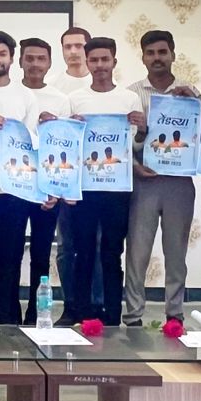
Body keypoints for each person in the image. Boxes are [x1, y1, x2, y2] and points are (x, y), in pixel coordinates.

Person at [0, 30, 52, 325]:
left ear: (11, 58)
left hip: (14, 189)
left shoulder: (25, 96)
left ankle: (5, 324)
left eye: (2, 54)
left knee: (9, 259)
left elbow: (33, 144)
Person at [58, 37, 140, 326]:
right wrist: (71, 125)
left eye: (105, 59)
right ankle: (82, 313)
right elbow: (66, 141)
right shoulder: (74, 99)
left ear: (114, 62)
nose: (100, 65)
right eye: (94, 60)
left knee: (112, 253)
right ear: (87, 62)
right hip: (84, 188)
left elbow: (132, 144)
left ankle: (112, 316)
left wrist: (142, 127)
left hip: (117, 189)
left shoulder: (129, 99)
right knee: (82, 251)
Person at [23, 36, 103, 321]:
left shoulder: (60, 99)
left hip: (53, 189)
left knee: (49, 252)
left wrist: (67, 126)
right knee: (11, 254)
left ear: (49, 62)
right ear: (20, 61)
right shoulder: (12, 94)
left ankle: (41, 312)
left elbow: (67, 144)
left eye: (40, 59)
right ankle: (8, 315)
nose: (35, 64)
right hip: (15, 186)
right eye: (29, 58)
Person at [124, 30, 201, 326]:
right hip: (144, 181)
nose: (157, 58)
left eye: (162, 52)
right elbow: (124, 143)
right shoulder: (131, 95)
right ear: (143, 57)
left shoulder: (190, 93)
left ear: (173, 55)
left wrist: (197, 107)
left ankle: (174, 314)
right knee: (137, 252)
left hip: (179, 183)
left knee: (176, 252)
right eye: (151, 53)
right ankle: (133, 315)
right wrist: (136, 158)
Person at [49, 26, 93, 96]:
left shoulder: (102, 83)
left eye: (78, 46)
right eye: (68, 47)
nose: (73, 51)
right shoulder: (50, 85)